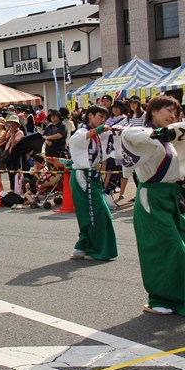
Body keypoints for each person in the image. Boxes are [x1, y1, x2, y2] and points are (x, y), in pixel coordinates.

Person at [121, 96, 185, 316]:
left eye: (176, 111)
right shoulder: (140, 134)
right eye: (167, 110)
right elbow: (129, 135)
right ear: (152, 111)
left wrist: (171, 131)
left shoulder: (173, 134)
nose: (172, 115)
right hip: (151, 197)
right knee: (168, 248)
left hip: (173, 196)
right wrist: (160, 133)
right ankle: (161, 298)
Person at [65, 105, 117, 261]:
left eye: (104, 118)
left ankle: (82, 247)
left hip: (92, 176)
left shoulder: (97, 135)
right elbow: (74, 141)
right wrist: (100, 130)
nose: (103, 120)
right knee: (94, 213)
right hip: (83, 177)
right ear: (90, 116)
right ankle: (89, 247)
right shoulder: (82, 131)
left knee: (95, 213)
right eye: (100, 116)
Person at [4, 115, 25, 190]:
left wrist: (12, 133)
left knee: (16, 172)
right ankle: (12, 188)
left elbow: (14, 143)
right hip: (8, 154)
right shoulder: (9, 131)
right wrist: (8, 131)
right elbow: (5, 140)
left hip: (16, 155)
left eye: (13, 123)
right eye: (10, 123)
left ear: (17, 124)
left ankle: (17, 189)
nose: (12, 125)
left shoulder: (20, 132)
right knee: (10, 172)